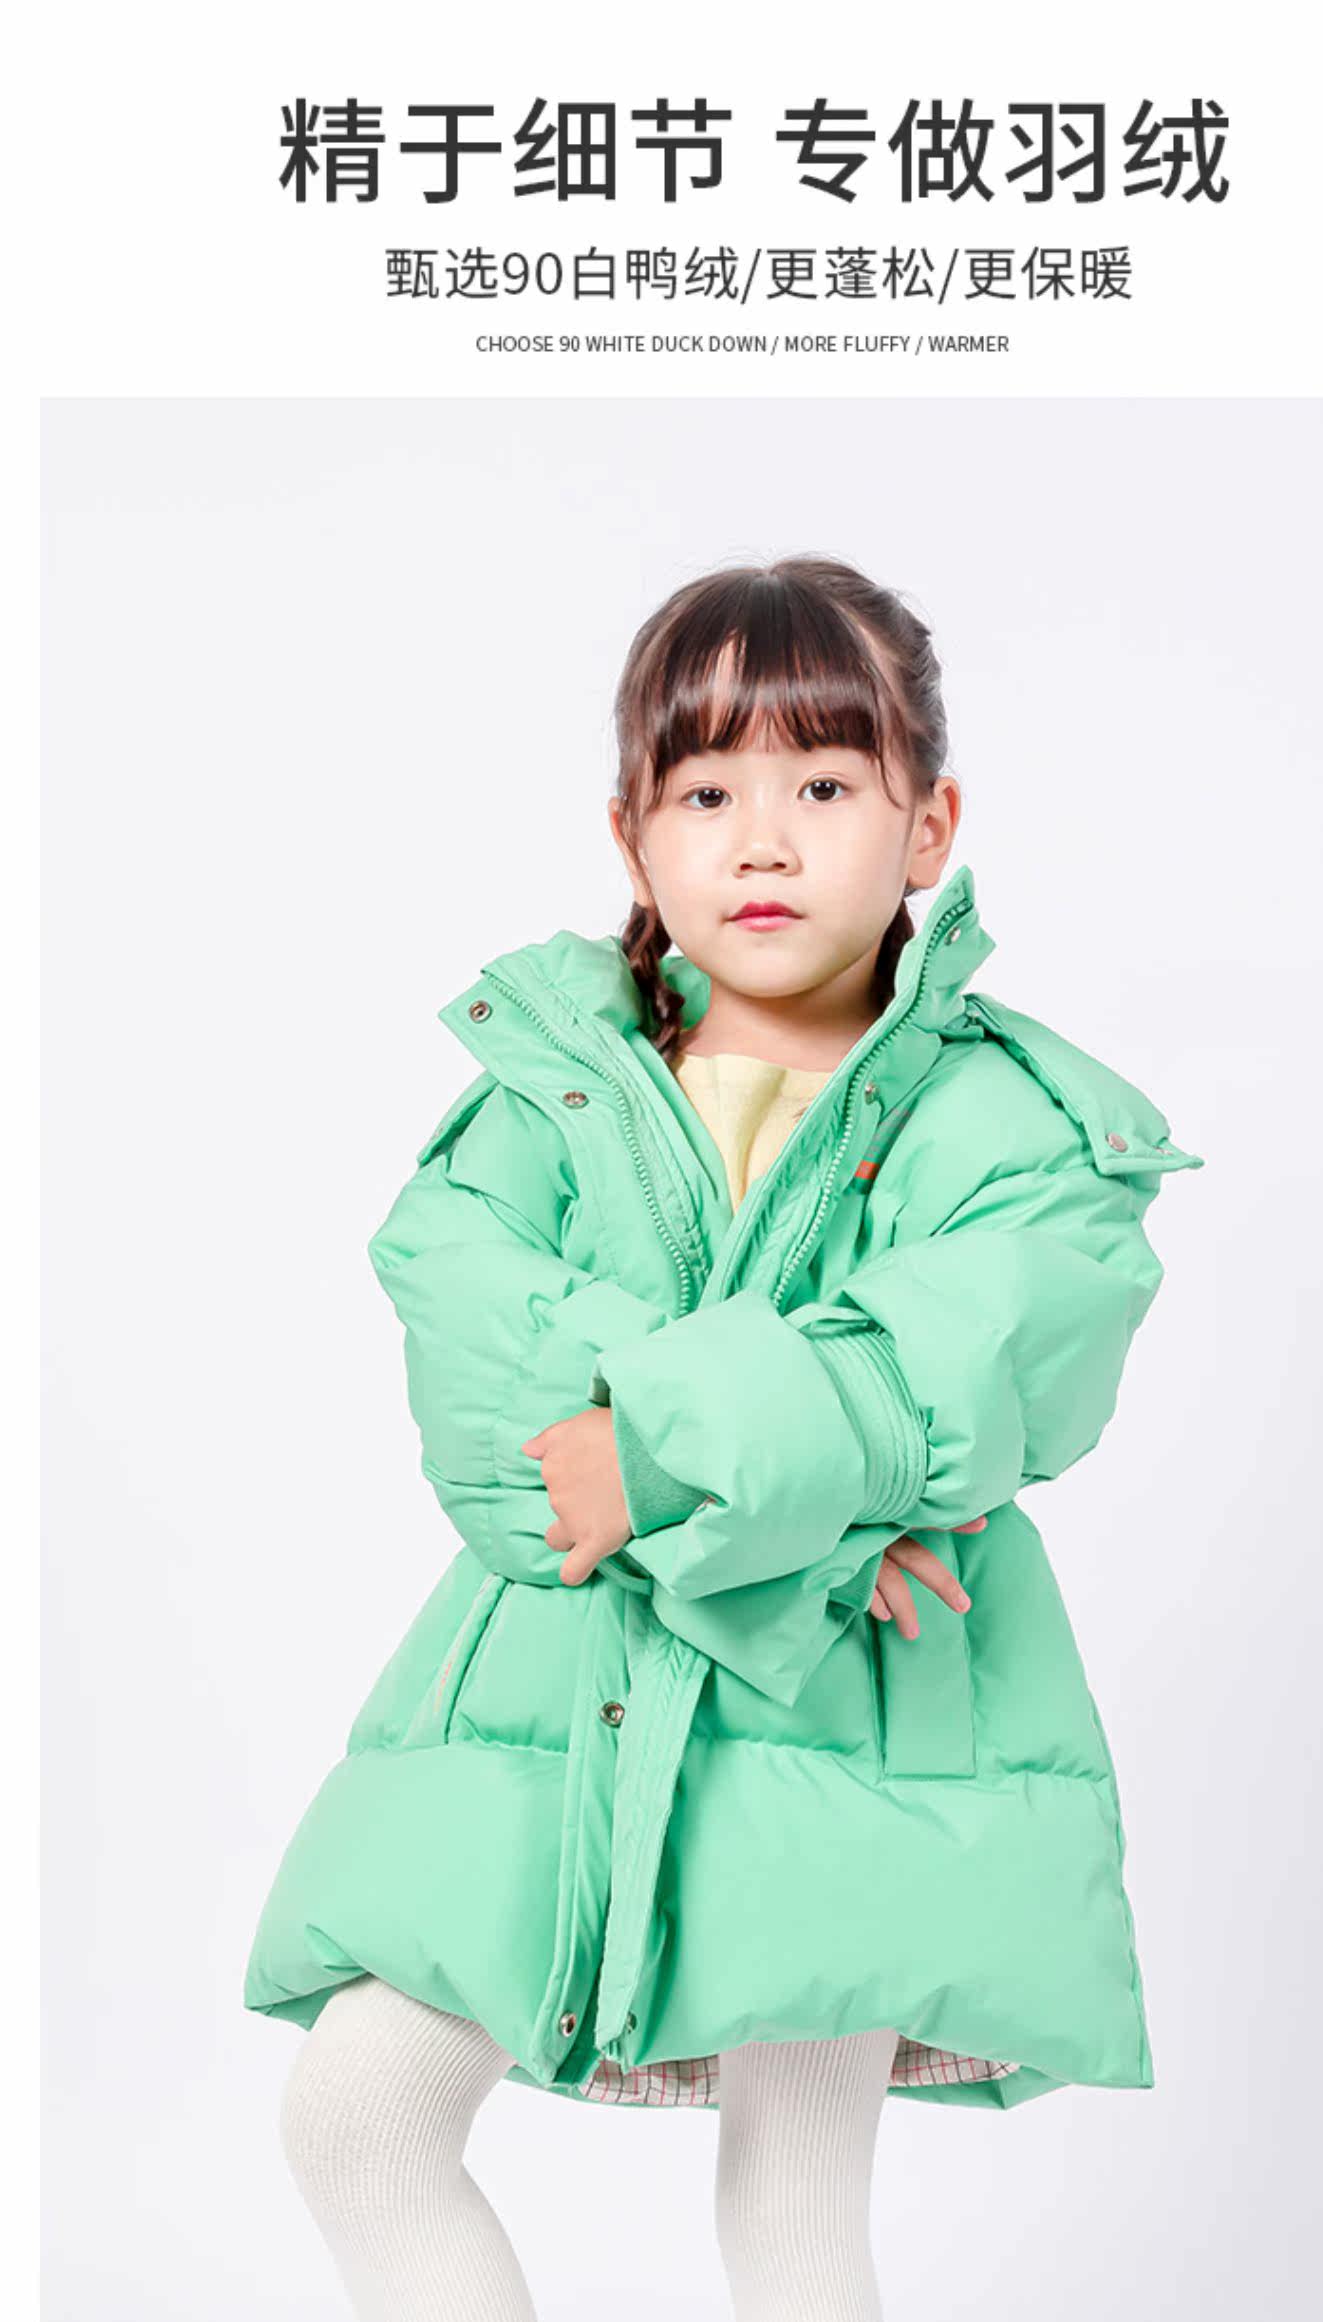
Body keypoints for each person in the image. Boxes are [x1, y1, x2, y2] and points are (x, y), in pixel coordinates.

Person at [243, 553, 1204, 2321]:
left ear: (928, 826)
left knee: (793, 2210)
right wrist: (807, 1507)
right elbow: (481, 1363)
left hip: (843, 1723)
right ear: (633, 836)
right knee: (359, 2113)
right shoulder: (551, 1087)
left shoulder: (1012, 1122)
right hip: (561, 1696)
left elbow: (972, 1360)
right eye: (706, 794)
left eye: (824, 786)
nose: (762, 841)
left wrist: (664, 1457)